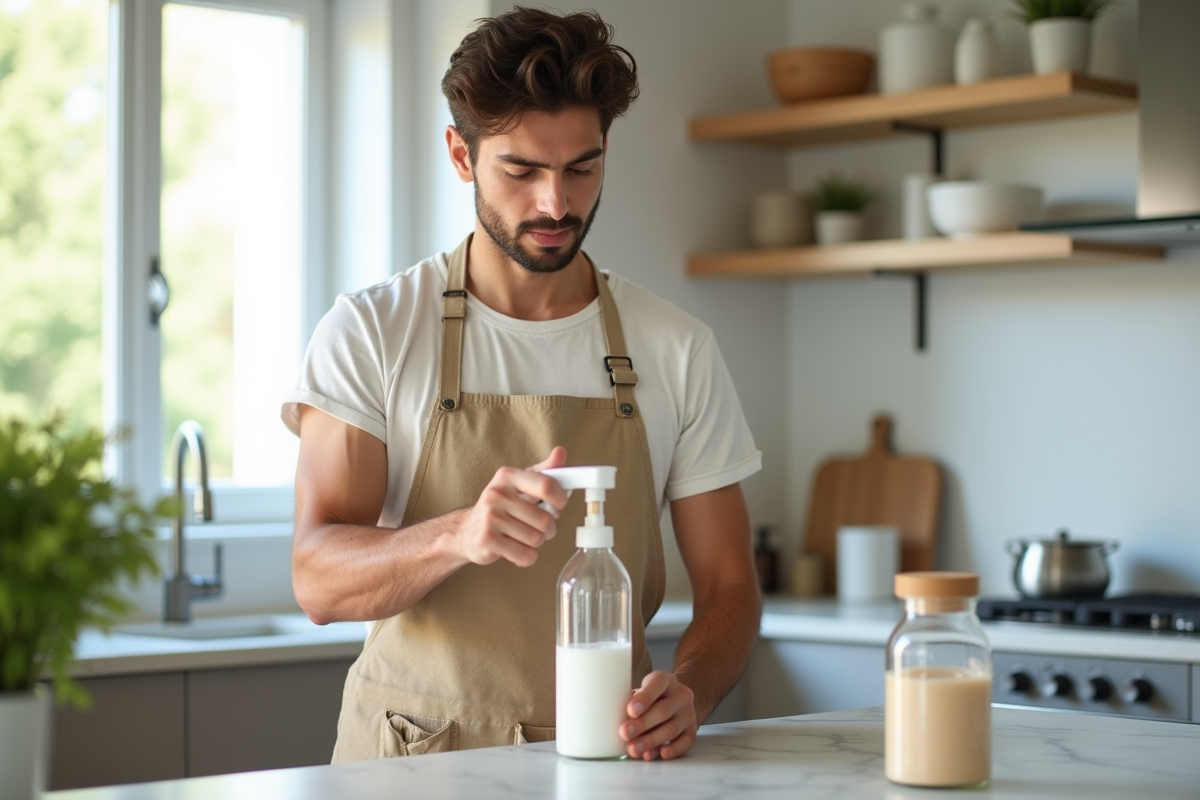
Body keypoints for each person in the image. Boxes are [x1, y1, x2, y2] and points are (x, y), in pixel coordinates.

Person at [282, 5, 762, 763]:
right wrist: (456, 535)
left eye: (582, 167)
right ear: (460, 154)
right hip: (408, 763)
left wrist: (690, 692)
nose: (556, 204)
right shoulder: (372, 331)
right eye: (522, 170)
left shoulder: (675, 348)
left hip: (607, 762)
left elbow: (732, 585)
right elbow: (317, 579)